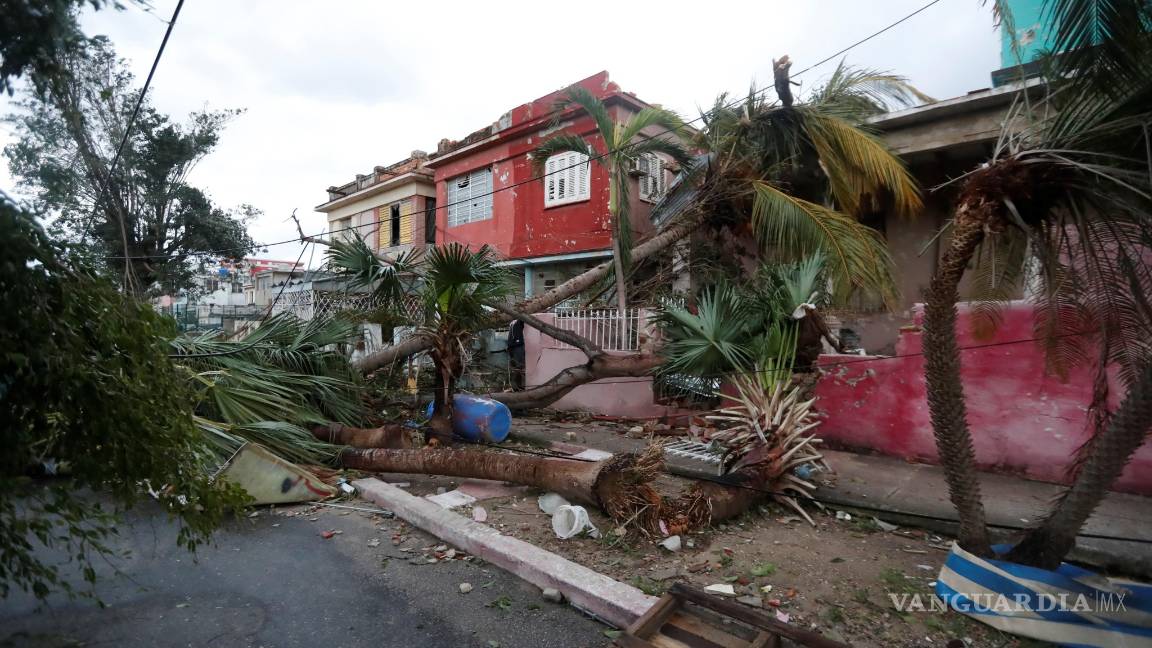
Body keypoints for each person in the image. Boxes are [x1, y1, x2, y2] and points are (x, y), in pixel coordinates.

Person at [507, 319, 525, 391]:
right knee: (514, 366)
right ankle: (514, 386)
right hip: (511, 346)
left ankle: (518, 385)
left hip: (518, 345)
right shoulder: (512, 322)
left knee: (518, 366)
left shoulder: (519, 321)